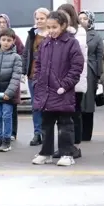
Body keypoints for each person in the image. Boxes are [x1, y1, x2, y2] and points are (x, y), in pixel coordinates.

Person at [31, 11, 84, 167]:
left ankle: (67, 153)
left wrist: (65, 85)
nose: (51, 30)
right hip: (45, 91)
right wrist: (38, 81)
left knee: (65, 124)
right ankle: (45, 153)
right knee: (46, 123)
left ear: (63, 26)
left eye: (54, 27)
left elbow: (76, 67)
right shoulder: (45, 43)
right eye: (49, 27)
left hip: (62, 91)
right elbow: (39, 64)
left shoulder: (71, 43)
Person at [56, 3, 88, 159]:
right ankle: (64, 145)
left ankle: (75, 145)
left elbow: (77, 54)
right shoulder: (60, 32)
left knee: (74, 113)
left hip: (75, 79)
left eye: (65, 14)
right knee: (61, 115)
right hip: (61, 80)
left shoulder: (79, 32)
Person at [22, 7, 49, 146]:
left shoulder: (51, 34)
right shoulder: (32, 34)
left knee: (46, 105)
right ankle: (37, 133)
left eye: (42, 18)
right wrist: (23, 70)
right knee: (35, 106)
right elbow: (26, 52)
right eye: (37, 18)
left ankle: (46, 133)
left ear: (47, 19)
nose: (39, 21)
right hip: (32, 74)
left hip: (46, 76)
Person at [78, 10, 103, 142]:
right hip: (76, 69)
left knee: (88, 104)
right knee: (77, 101)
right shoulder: (74, 34)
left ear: (90, 21)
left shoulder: (96, 36)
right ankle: (77, 131)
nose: (82, 20)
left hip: (90, 70)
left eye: (85, 18)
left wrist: (99, 75)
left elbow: (100, 57)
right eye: (80, 18)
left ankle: (86, 134)